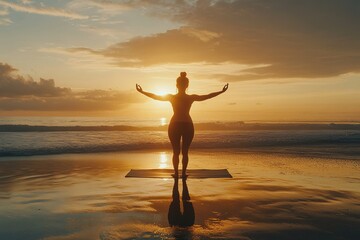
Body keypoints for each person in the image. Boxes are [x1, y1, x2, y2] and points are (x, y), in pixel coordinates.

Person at [136, 72, 228, 178]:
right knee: (185, 152)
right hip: (187, 125)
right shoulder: (190, 98)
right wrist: (221, 91)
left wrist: (142, 92)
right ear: (187, 85)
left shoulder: (171, 97)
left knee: (176, 152)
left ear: (176, 85)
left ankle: (176, 173)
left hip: (174, 125)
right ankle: (183, 174)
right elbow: (207, 96)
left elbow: (155, 97)